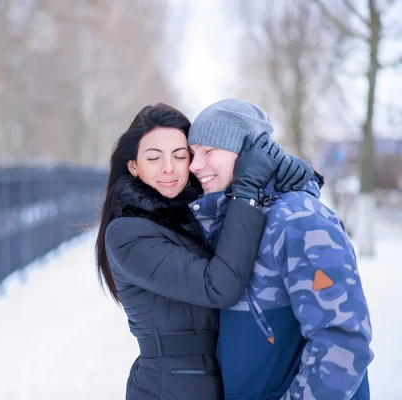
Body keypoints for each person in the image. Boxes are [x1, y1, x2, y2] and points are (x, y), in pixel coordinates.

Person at [95, 103, 313, 400]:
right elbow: (219, 286)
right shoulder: (127, 234)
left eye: (180, 155)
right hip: (170, 386)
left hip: (223, 375)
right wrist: (247, 192)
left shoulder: (196, 214)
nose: (169, 168)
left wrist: (283, 178)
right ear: (133, 166)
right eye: (154, 158)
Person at [186, 98, 373, 400]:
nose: (195, 165)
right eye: (193, 153)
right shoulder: (230, 223)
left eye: (209, 151)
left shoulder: (300, 221)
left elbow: (342, 344)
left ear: (248, 152)